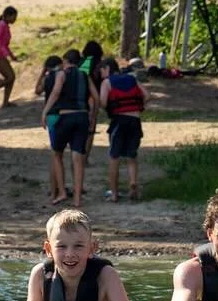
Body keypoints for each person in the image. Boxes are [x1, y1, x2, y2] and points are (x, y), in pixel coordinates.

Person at [19, 208, 148, 301]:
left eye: (78, 246)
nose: (70, 254)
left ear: (92, 248)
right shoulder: (40, 274)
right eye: (61, 246)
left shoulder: (106, 275)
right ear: (48, 249)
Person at [41, 48, 92, 206]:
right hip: (82, 116)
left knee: (57, 153)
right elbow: (94, 97)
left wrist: (45, 111)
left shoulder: (62, 74)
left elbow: (56, 93)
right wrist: (92, 116)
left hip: (66, 116)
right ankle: (77, 199)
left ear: (65, 61)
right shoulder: (85, 75)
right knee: (78, 158)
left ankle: (62, 192)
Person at [99, 58, 145, 201]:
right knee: (132, 156)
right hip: (135, 120)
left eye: (101, 71)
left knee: (114, 157)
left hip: (119, 121)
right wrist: (138, 107)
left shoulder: (107, 82)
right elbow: (147, 95)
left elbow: (103, 102)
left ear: (107, 68)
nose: (101, 74)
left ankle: (113, 193)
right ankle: (133, 185)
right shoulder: (132, 79)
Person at [33, 54, 65, 200]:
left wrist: (41, 73)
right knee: (58, 156)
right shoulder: (62, 76)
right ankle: (57, 188)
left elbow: (37, 90)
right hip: (62, 113)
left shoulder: (47, 78)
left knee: (55, 154)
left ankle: (54, 190)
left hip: (51, 116)